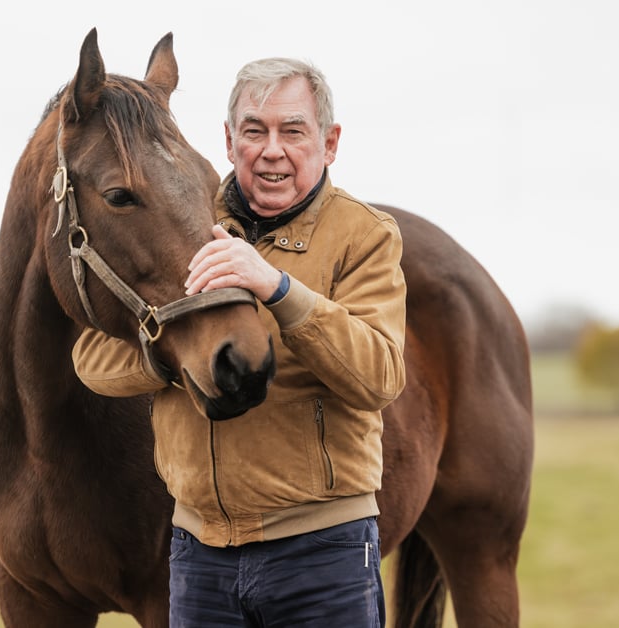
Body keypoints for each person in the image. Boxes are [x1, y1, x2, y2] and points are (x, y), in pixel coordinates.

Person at [71, 57, 406, 627]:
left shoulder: (364, 236)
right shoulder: (185, 220)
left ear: (329, 143)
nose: (271, 149)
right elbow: (92, 357)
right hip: (199, 552)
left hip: (324, 551)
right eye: (254, 130)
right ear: (229, 141)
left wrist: (277, 288)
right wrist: (178, 350)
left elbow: (380, 376)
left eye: (293, 130)